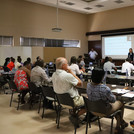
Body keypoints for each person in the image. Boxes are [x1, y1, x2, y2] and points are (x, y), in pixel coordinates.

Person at [87, 68, 128, 134]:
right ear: (102, 77)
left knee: (117, 110)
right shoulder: (105, 89)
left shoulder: (88, 85)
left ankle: (122, 122)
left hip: (92, 110)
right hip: (104, 111)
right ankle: (117, 127)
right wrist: (113, 95)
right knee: (121, 103)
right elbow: (113, 100)